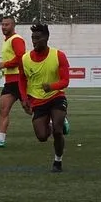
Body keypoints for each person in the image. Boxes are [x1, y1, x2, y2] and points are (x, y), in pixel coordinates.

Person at [18, 23, 70, 173]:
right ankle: (54, 123)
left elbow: (65, 81)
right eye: (33, 38)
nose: (35, 41)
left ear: (46, 38)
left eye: (38, 38)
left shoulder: (58, 55)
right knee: (42, 137)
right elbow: (21, 79)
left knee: (58, 132)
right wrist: (24, 99)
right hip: (37, 100)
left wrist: (52, 86)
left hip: (56, 96)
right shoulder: (25, 59)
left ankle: (58, 161)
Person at [0, 15, 26, 148]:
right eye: (2, 24)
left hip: (20, 79)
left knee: (29, 109)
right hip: (9, 81)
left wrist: (4, 65)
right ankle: (0, 139)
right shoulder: (6, 41)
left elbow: (21, 58)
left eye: (7, 24)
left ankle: (56, 121)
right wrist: (2, 65)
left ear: (13, 25)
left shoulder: (17, 39)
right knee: (3, 110)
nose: (4, 27)